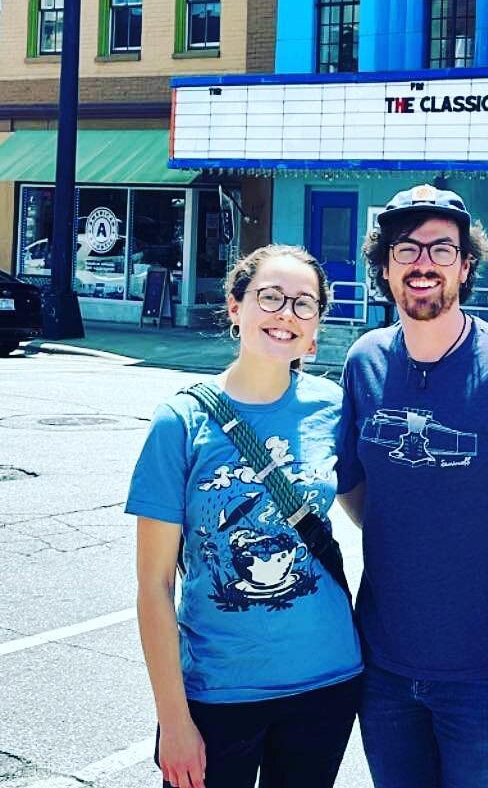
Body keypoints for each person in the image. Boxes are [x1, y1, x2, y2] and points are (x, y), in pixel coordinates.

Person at [338, 184, 488, 787]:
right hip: (384, 671)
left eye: (442, 249)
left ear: (466, 265)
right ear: (385, 266)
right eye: (406, 249)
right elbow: (355, 486)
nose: (423, 263)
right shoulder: (363, 361)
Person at [127, 245, 362, 788]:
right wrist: (173, 720)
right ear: (235, 308)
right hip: (217, 690)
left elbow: (380, 517)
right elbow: (154, 585)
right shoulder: (180, 422)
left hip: (326, 682)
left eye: (304, 304)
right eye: (270, 297)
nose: (286, 314)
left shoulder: (334, 407)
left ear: (316, 326)